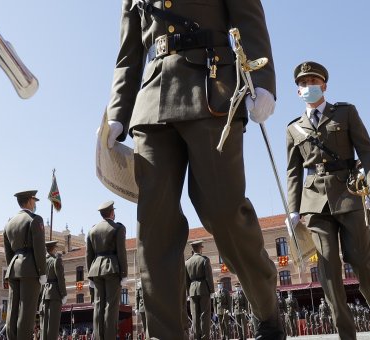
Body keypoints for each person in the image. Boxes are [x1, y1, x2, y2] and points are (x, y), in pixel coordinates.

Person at [104, 1, 282, 338]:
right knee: (155, 225)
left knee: (223, 211)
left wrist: (262, 81)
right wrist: (117, 113)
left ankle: (266, 306)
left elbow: (248, 17)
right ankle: (165, 333)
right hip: (152, 101)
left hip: (211, 88)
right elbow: (128, 54)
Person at [285, 61, 370, 340]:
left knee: (362, 262)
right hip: (313, 204)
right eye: (303, 83)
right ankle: (346, 334)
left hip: (348, 194)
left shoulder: (345, 112)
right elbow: (293, 172)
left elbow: (366, 152)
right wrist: (293, 209)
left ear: (324, 86)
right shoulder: (294, 128)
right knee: (327, 267)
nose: (308, 87)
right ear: (297, 91)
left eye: (313, 81)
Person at [3, 190, 47, 340]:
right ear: (29, 201)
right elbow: (40, 248)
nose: (35, 204)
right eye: (34, 201)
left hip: (13, 268)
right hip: (30, 268)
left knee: (13, 310)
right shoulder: (35, 219)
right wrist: (42, 271)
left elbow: (8, 252)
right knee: (26, 311)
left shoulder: (9, 223)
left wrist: (12, 268)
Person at [86, 200, 128, 340]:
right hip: (112, 269)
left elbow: (89, 255)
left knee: (98, 305)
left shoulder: (92, 230)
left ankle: (99, 337)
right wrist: (124, 274)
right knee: (111, 306)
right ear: (112, 212)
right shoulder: (117, 228)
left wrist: (90, 276)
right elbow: (121, 252)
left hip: (96, 270)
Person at [185, 240, 214, 340]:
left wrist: (189, 292)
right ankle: (205, 337)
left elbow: (186, 280)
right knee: (205, 315)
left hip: (192, 291)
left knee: (195, 315)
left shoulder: (187, 262)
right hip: (203, 289)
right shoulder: (204, 259)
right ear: (200, 248)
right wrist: (212, 290)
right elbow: (209, 277)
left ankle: (197, 337)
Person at [40, 241, 67, 340]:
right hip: (55, 293)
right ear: (54, 249)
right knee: (53, 325)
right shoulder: (56, 260)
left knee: (44, 324)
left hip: (44, 293)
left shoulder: (42, 261)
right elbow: (60, 278)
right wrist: (64, 294)